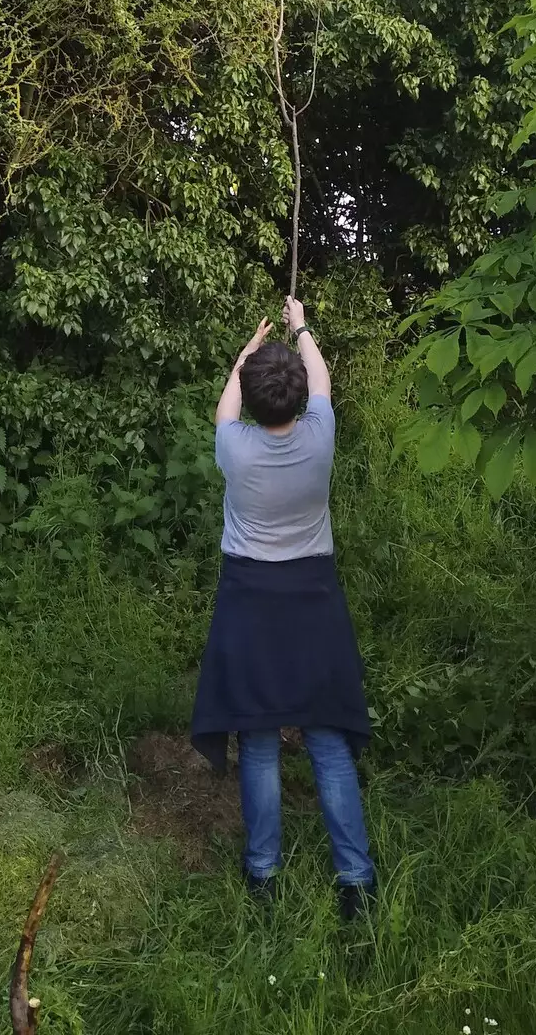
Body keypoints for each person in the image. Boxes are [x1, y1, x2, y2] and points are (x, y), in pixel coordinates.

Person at [190, 295, 377, 920]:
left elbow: (225, 407)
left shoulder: (234, 449)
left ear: (252, 393)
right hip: (313, 601)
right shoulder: (321, 440)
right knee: (327, 741)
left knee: (261, 741)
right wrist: (300, 326)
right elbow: (321, 377)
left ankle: (263, 876)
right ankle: (355, 880)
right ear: (298, 400)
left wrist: (246, 354)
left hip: (250, 601)